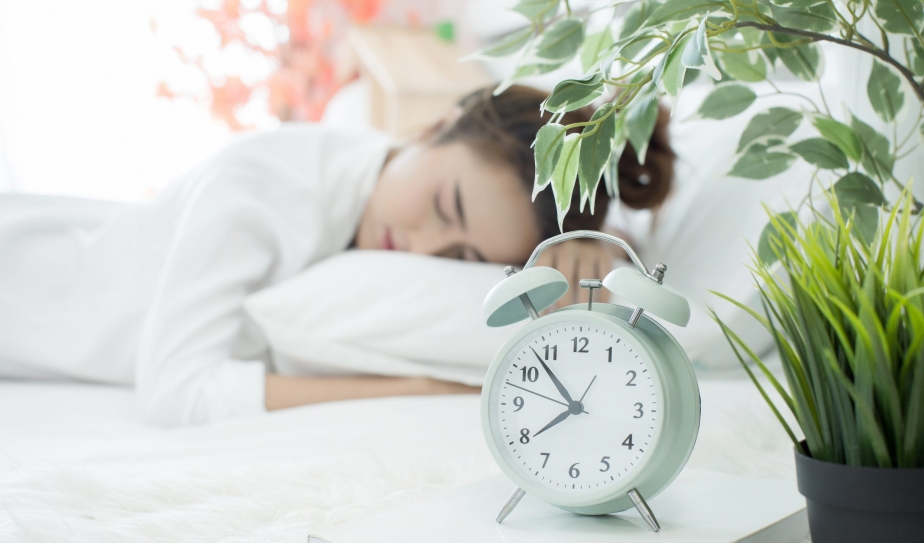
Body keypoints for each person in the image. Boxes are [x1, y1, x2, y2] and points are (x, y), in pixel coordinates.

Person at [0, 85, 673, 426]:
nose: (424, 248)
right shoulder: (267, 190)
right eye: (445, 207)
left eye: (462, 255)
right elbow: (176, 396)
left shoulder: (362, 198)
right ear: (434, 125)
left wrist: (580, 245)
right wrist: (413, 387)